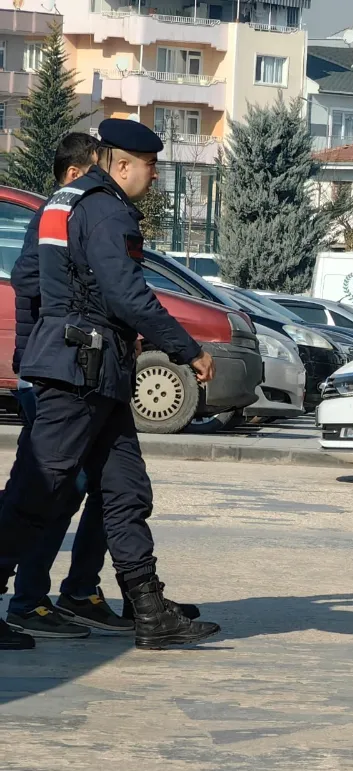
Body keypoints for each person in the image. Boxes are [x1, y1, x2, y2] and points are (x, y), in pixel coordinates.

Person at [0, 118, 220, 651]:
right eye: (150, 167)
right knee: (38, 490)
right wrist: (187, 347)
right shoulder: (103, 208)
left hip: (95, 371)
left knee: (125, 491)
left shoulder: (69, 200)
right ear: (122, 165)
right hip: (80, 370)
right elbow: (126, 292)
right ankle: (28, 598)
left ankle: (148, 606)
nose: (154, 177)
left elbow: (35, 280)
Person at [3, 133, 134, 639]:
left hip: (87, 371)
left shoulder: (79, 216)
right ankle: (29, 598)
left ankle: (79, 591)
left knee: (109, 486)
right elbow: (28, 283)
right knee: (53, 489)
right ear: (79, 175)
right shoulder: (58, 216)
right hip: (56, 372)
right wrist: (34, 357)